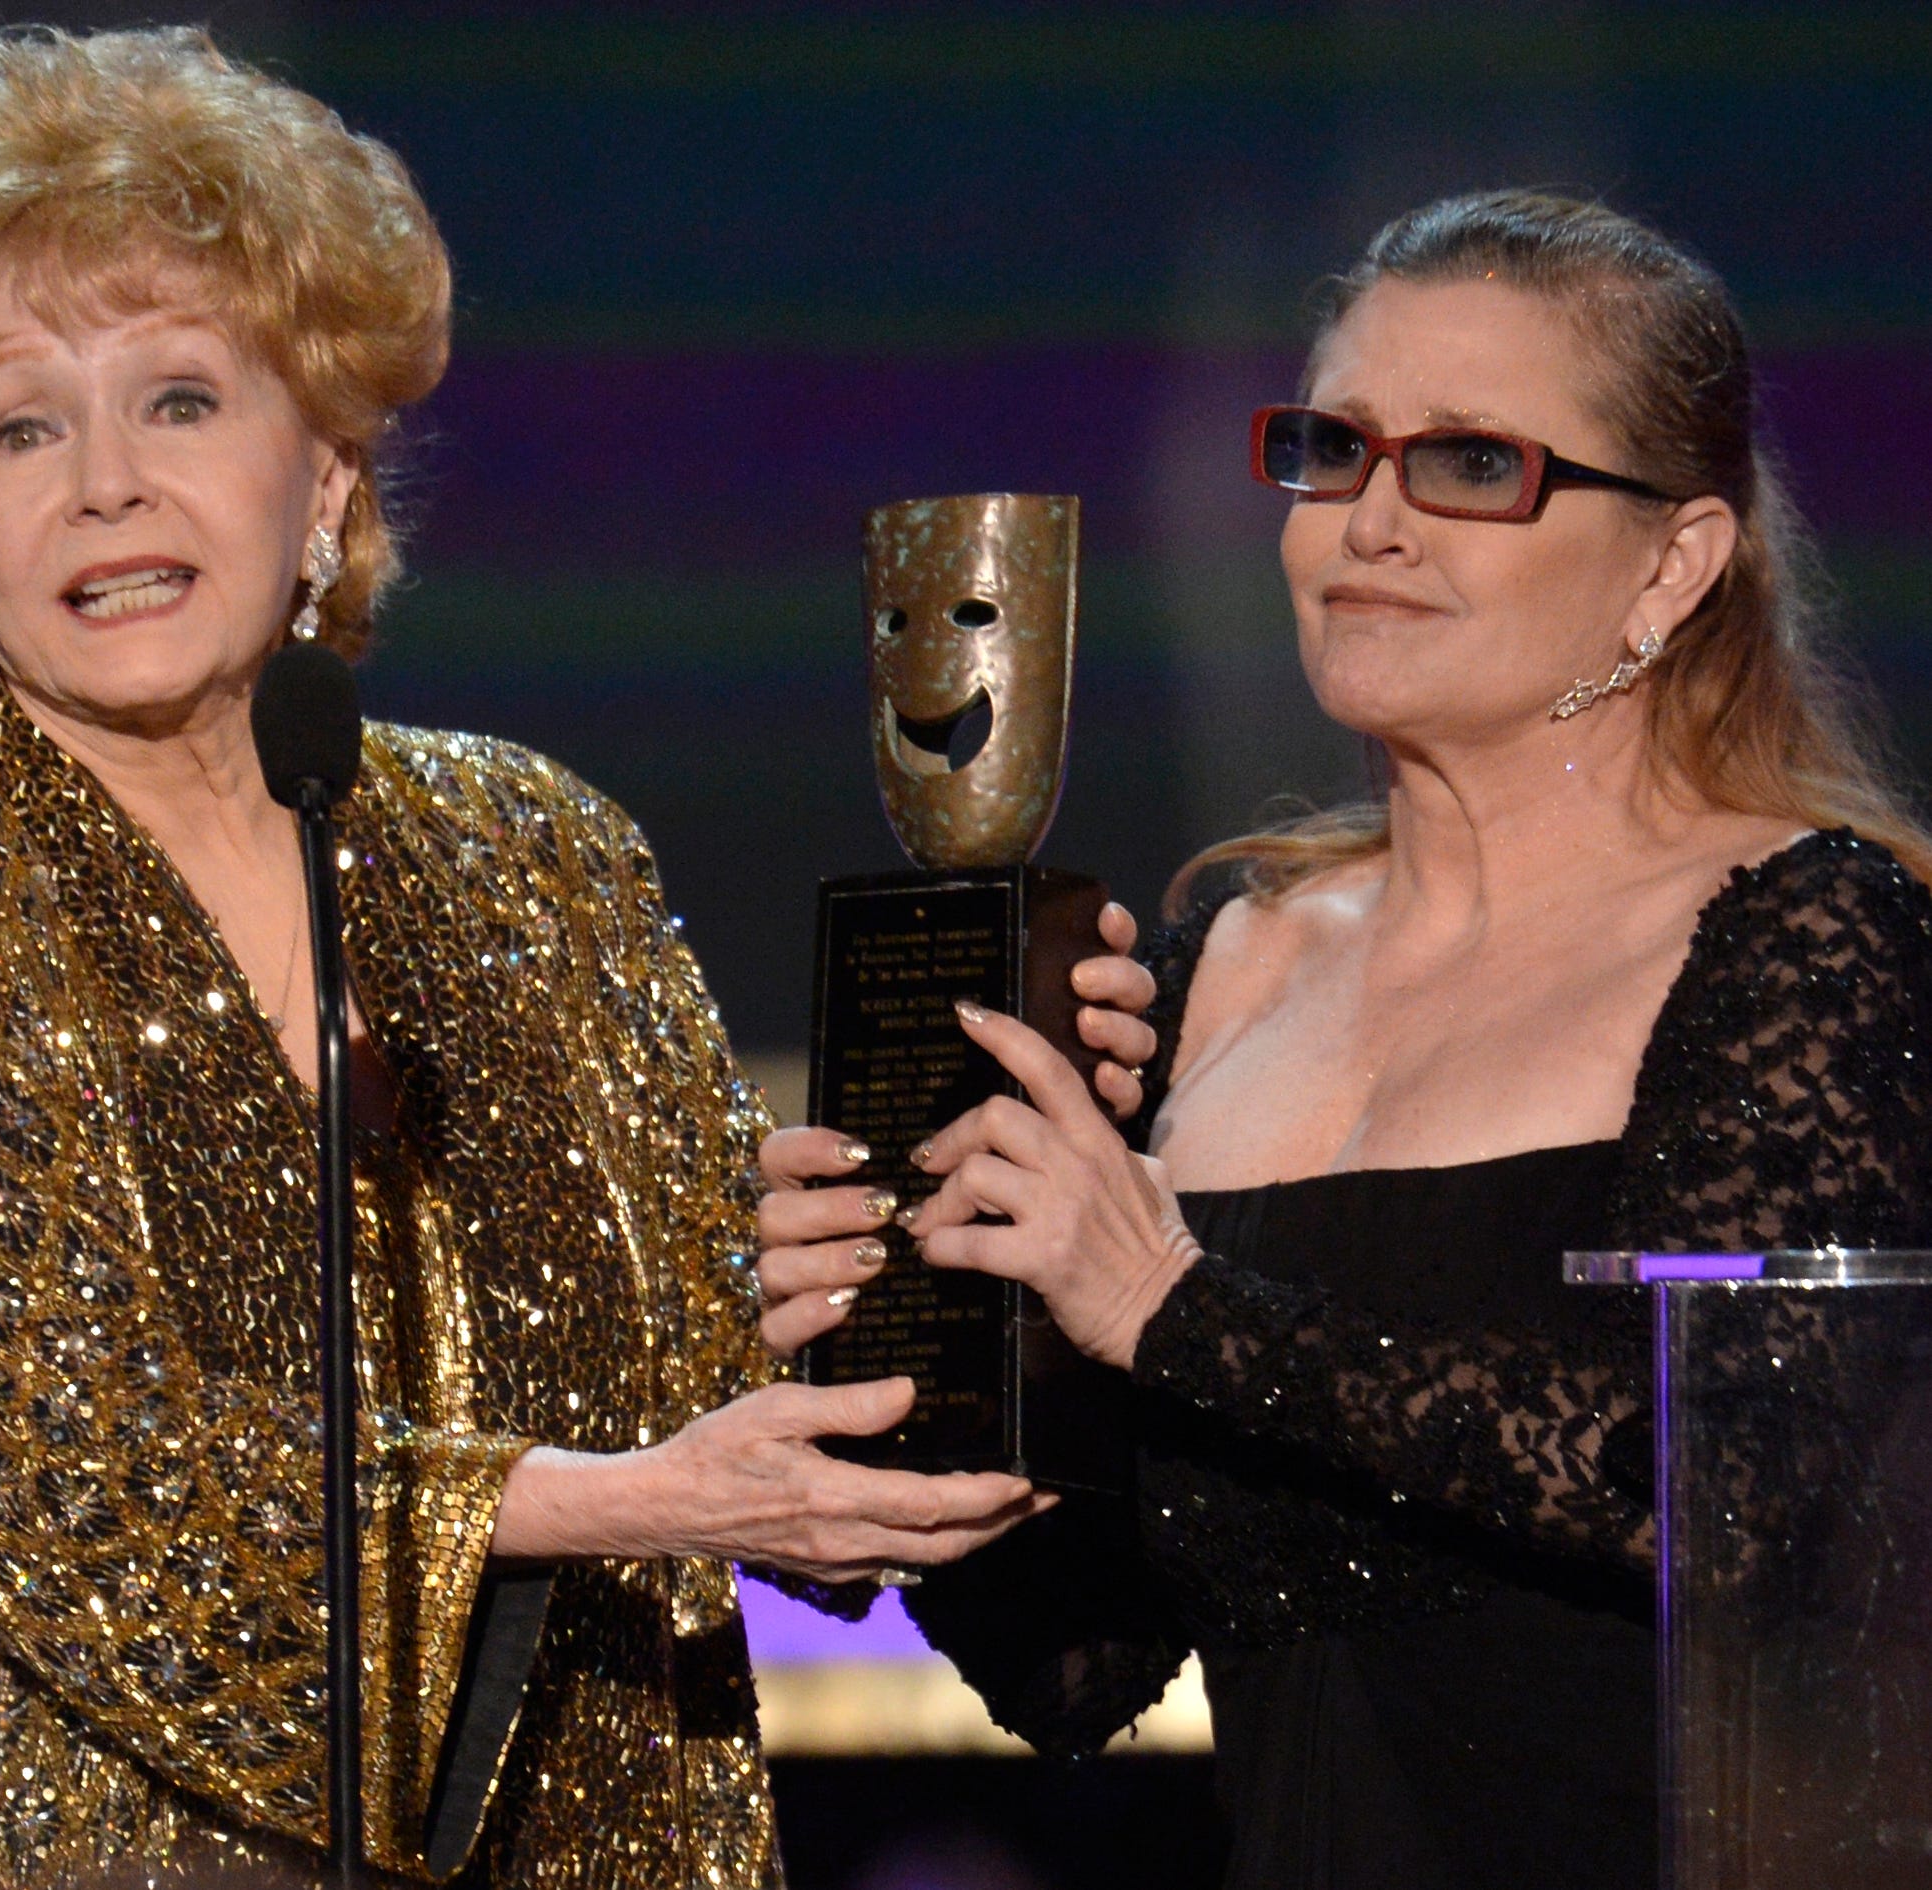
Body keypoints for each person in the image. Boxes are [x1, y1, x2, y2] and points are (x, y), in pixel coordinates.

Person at [0, 28, 1165, 1888]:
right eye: (21, 427)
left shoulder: (536, 848)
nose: (104, 485)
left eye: (180, 399)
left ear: (324, 477)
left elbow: (712, 1379)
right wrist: (630, 1498)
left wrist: (942, 1212)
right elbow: (87, 1486)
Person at [760, 189, 1932, 1889]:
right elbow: (1075, 1664)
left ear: (1671, 563)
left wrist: (1169, 1305)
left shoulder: (1806, 932)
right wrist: (900, 1389)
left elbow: (1734, 1492)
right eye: (1334, 452)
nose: (1369, 523)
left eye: (1472, 464)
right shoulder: (1219, 971)